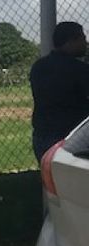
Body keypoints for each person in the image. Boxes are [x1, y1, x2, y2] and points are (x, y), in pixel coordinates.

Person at [30, 21, 89, 162]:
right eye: (82, 39)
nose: (85, 43)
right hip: (72, 137)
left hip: (42, 135)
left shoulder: (39, 66)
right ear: (71, 41)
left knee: (51, 174)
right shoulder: (79, 69)